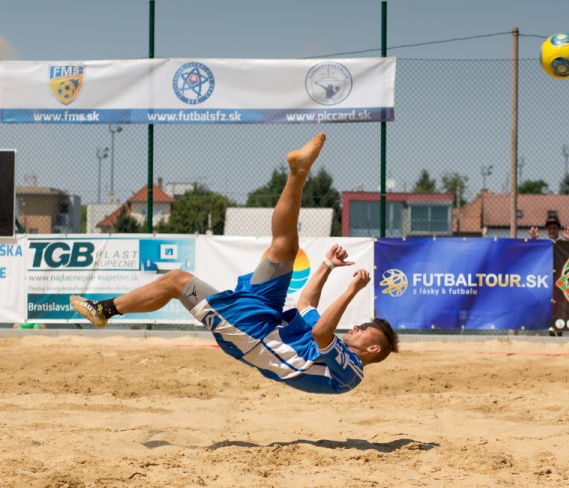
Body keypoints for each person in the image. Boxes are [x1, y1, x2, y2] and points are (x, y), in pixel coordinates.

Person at [70, 133, 399, 394]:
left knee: (175, 281)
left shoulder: (351, 371)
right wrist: (326, 265)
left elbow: (321, 329)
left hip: (253, 336)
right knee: (285, 246)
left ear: (371, 348)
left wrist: (353, 290)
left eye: (363, 329)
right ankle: (298, 172)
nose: (356, 327)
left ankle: (104, 311)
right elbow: (307, 303)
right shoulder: (337, 345)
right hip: (270, 322)